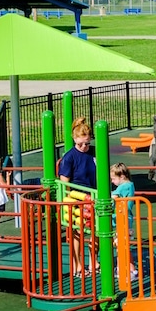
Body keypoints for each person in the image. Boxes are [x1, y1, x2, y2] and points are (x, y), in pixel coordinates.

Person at [58, 118, 97, 276]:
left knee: (96, 231)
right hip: (78, 199)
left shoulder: (94, 152)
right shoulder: (70, 157)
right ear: (74, 139)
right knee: (77, 231)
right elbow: (64, 183)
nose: (84, 147)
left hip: (93, 197)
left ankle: (93, 261)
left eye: (87, 143)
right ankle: (77, 265)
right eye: (81, 143)